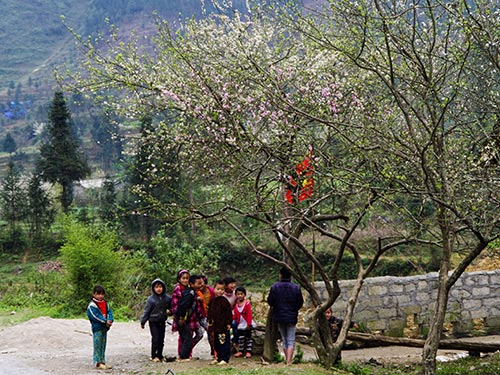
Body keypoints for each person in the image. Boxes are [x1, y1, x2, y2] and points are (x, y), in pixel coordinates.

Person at [267, 266, 304, 365]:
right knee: (291, 338)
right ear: (291, 275)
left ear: (280, 275)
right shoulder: (296, 287)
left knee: (284, 338)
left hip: (278, 315)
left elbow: (270, 301)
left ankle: (286, 360)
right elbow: (300, 302)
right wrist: (294, 309)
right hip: (291, 316)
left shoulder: (275, 287)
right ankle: (289, 361)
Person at [140, 278, 172, 362]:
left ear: (163, 287)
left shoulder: (167, 298)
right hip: (153, 321)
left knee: (161, 339)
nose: (159, 289)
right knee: (155, 338)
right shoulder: (151, 299)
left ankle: (160, 355)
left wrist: (170, 311)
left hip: (162, 321)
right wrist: (143, 321)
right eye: (156, 287)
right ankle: (153, 356)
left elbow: (172, 308)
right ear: (153, 288)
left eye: (160, 286)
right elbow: (147, 311)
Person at [174, 274, 204, 361]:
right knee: (187, 338)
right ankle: (183, 357)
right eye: (198, 283)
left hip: (184, 318)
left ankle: (183, 356)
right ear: (191, 284)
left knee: (185, 337)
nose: (201, 285)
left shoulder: (192, 292)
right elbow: (183, 306)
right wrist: (181, 318)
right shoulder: (190, 293)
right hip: (182, 318)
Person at [87, 285, 114, 370]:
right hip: (97, 328)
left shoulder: (105, 303)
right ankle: (97, 362)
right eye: (98, 294)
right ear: (94, 294)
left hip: (104, 328)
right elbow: (95, 316)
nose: (100, 296)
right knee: (97, 345)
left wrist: (110, 320)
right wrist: (105, 321)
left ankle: (103, 361)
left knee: (103, 345)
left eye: (102, 294)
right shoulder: (92, 305)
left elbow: (109, 312)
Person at [207, 279, 233, 366]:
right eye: (218, 289)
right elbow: (209, 312)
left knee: (224, 342)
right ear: (214, 289)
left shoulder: (225, 301)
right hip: (215, 326)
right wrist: (209, 321)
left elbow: (229, 313)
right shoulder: (212, 301)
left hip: (223, 326)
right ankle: (218, 357)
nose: (220, 291)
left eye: (222, 289)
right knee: (216, 343)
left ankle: (224, 358)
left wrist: (229, 323)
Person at [171, 269, 190, 357]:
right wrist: (180, 317)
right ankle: (183, 355)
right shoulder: (177, 289)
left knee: (186, 336)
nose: (185, 280)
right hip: (180, 316)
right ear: (179, 279)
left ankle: (186, 354)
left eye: (187, 278)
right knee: (184, 336)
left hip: (188, 316)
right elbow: (175, 305)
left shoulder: (189, 288)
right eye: (183, 278)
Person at [233, 286, 253, 358]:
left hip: (247, 323)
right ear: (236, 295)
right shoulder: (236, 305)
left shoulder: (247, 304)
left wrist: (249, 323)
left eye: (241, 294)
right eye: (238, 294)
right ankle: (240, 351)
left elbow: (249, 314)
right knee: (241, 337)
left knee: (248, 337)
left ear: (244, 295)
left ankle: (248, 351)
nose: (240, 296)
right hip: (240, 324)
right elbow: (235, 315)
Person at [198, 275, 215, 356]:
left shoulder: (210, 291)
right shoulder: (195, 292)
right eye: (198, 283)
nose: (200, 285)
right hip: (199, 315)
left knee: (210, 332)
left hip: (209, 314)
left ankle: (213, 349)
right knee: (203, 332)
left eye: (201, 283)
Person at [222, 277, 238, 350]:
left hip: (233, 315)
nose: (233, 285)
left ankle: (235, 342)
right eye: (231, 284)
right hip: (223, 316)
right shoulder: (222, 295)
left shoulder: (236, 294)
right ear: (225, 285)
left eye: (234, 283)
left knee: (235, 325)